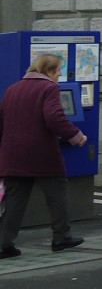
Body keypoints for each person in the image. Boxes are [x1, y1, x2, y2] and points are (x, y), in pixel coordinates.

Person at [0, 54, 88, 257]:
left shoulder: (13, 89)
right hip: (41, 154)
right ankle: (62, 237)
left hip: (13, 155)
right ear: (48, 71)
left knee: (14, 202)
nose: (59, 75)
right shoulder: (49, 88)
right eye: (58, 70)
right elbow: (54, 117)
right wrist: (76, 136)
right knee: (57, 195)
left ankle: (4, 244)